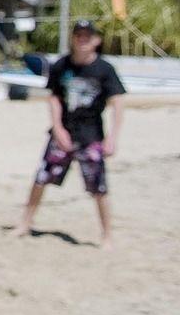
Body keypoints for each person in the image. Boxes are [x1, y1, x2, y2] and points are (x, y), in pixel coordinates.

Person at [13, 18, 126, 247]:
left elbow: (118, 102)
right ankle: (25, 224)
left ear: (96, 40)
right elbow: (54, 97)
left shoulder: (104, 69)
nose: (82, 40)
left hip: (91, 135)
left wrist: (113, 138)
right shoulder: (62, 66)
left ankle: (107, 235)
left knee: (98, 187)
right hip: (63, 133)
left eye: (87, 36)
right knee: (41, 178)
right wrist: (57, 128)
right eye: (78, 35)